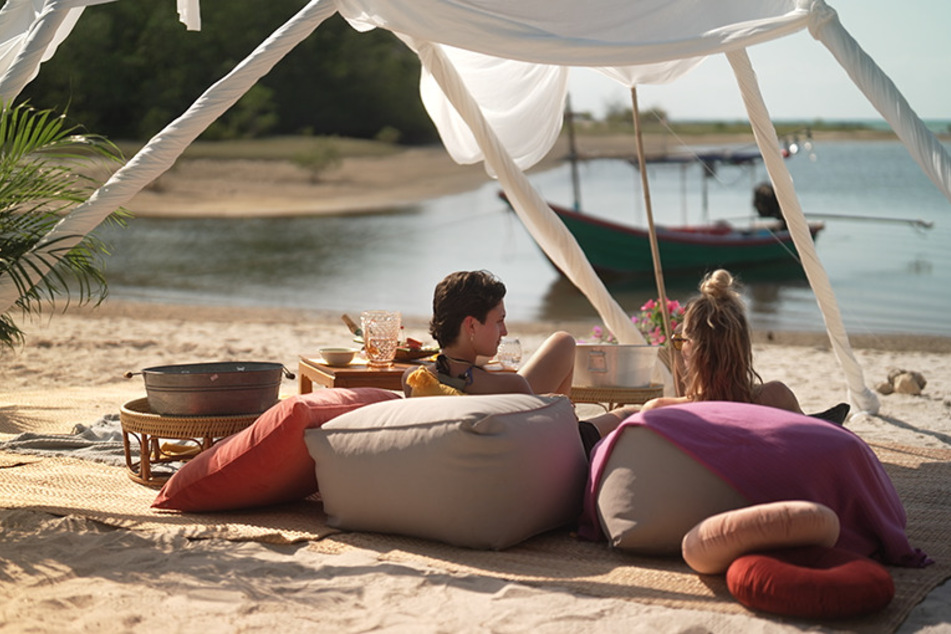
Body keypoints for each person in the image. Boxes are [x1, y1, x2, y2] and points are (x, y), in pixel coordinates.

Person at [404, 270, 638, 454]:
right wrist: (563, 411)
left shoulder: (414, 380)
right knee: (631, 413)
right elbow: (551, 440)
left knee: (564, 342)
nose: (504, 331)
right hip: (562, 449)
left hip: (481, 442)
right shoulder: (511, 387)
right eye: (499, 321)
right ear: (472, 326)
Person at [641, 268, 804, 414]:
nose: (679, 347)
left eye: (680, 341)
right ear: (742, 345)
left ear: (695, 355)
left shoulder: (661, 410)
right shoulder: (778, 398)